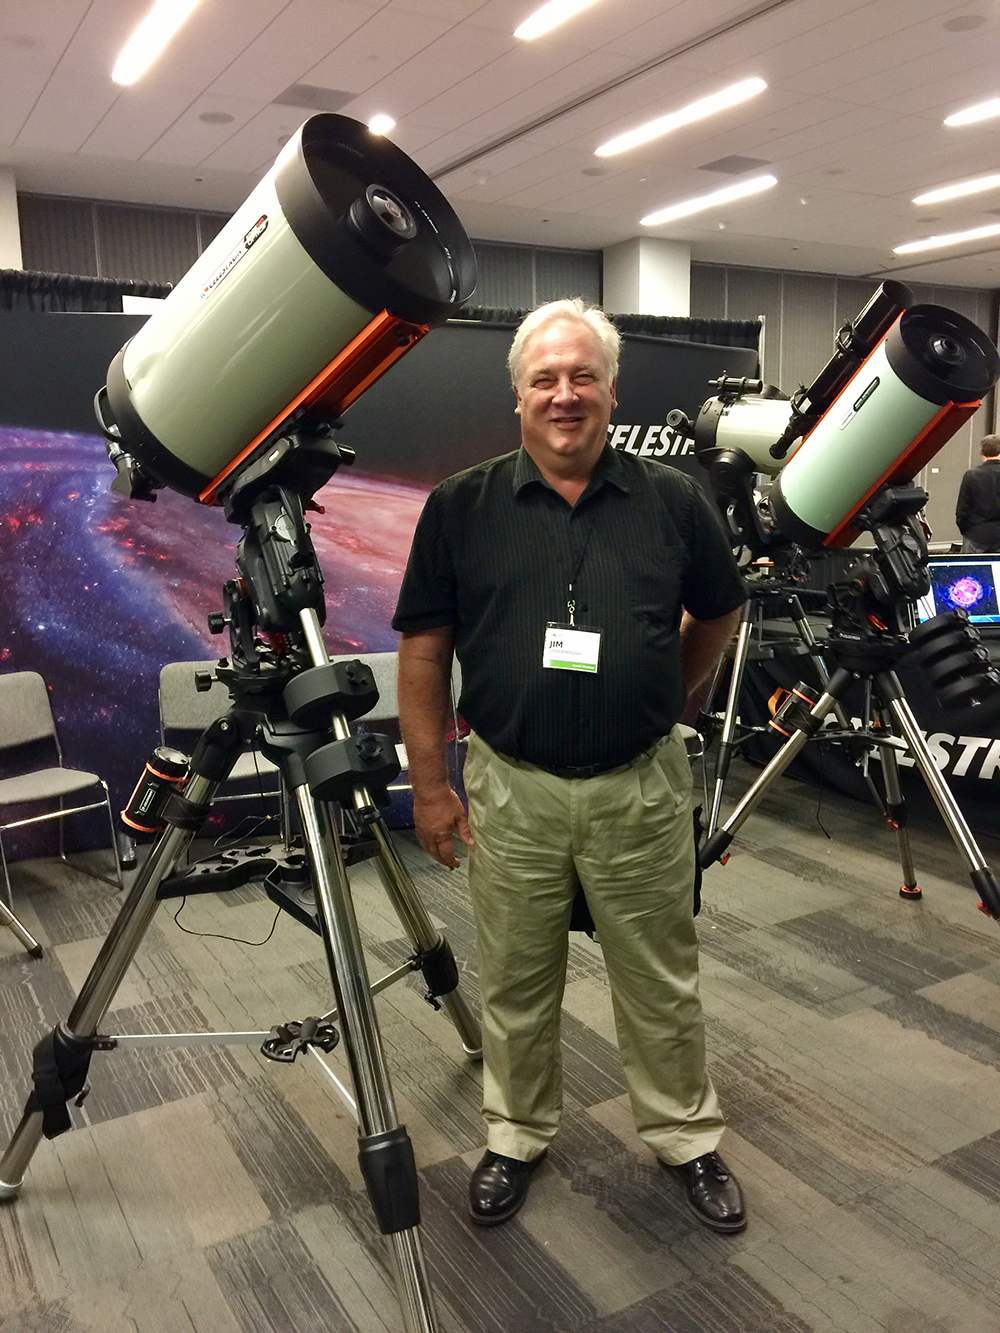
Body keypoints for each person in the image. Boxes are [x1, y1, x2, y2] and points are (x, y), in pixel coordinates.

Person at [393, 299, 748, 1234]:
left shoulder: (674, 500)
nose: (565, 394)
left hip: (642, 784)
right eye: (545, 379)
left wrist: (673, 688)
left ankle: (684, 1135)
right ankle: (514, 1133)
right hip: (512, 788)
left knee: (660, 977)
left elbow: (719, 610)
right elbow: (425, 654)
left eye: (582, 376)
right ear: (518, 397)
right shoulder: (460, 508)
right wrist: (430, 785)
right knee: (514, 975)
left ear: (610, 391)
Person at [956, 433, 1000, 553]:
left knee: (972, 569)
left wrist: (967, 531)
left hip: (976, 535)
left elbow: (962, 510)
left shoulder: (972, 475)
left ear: (981, 452)